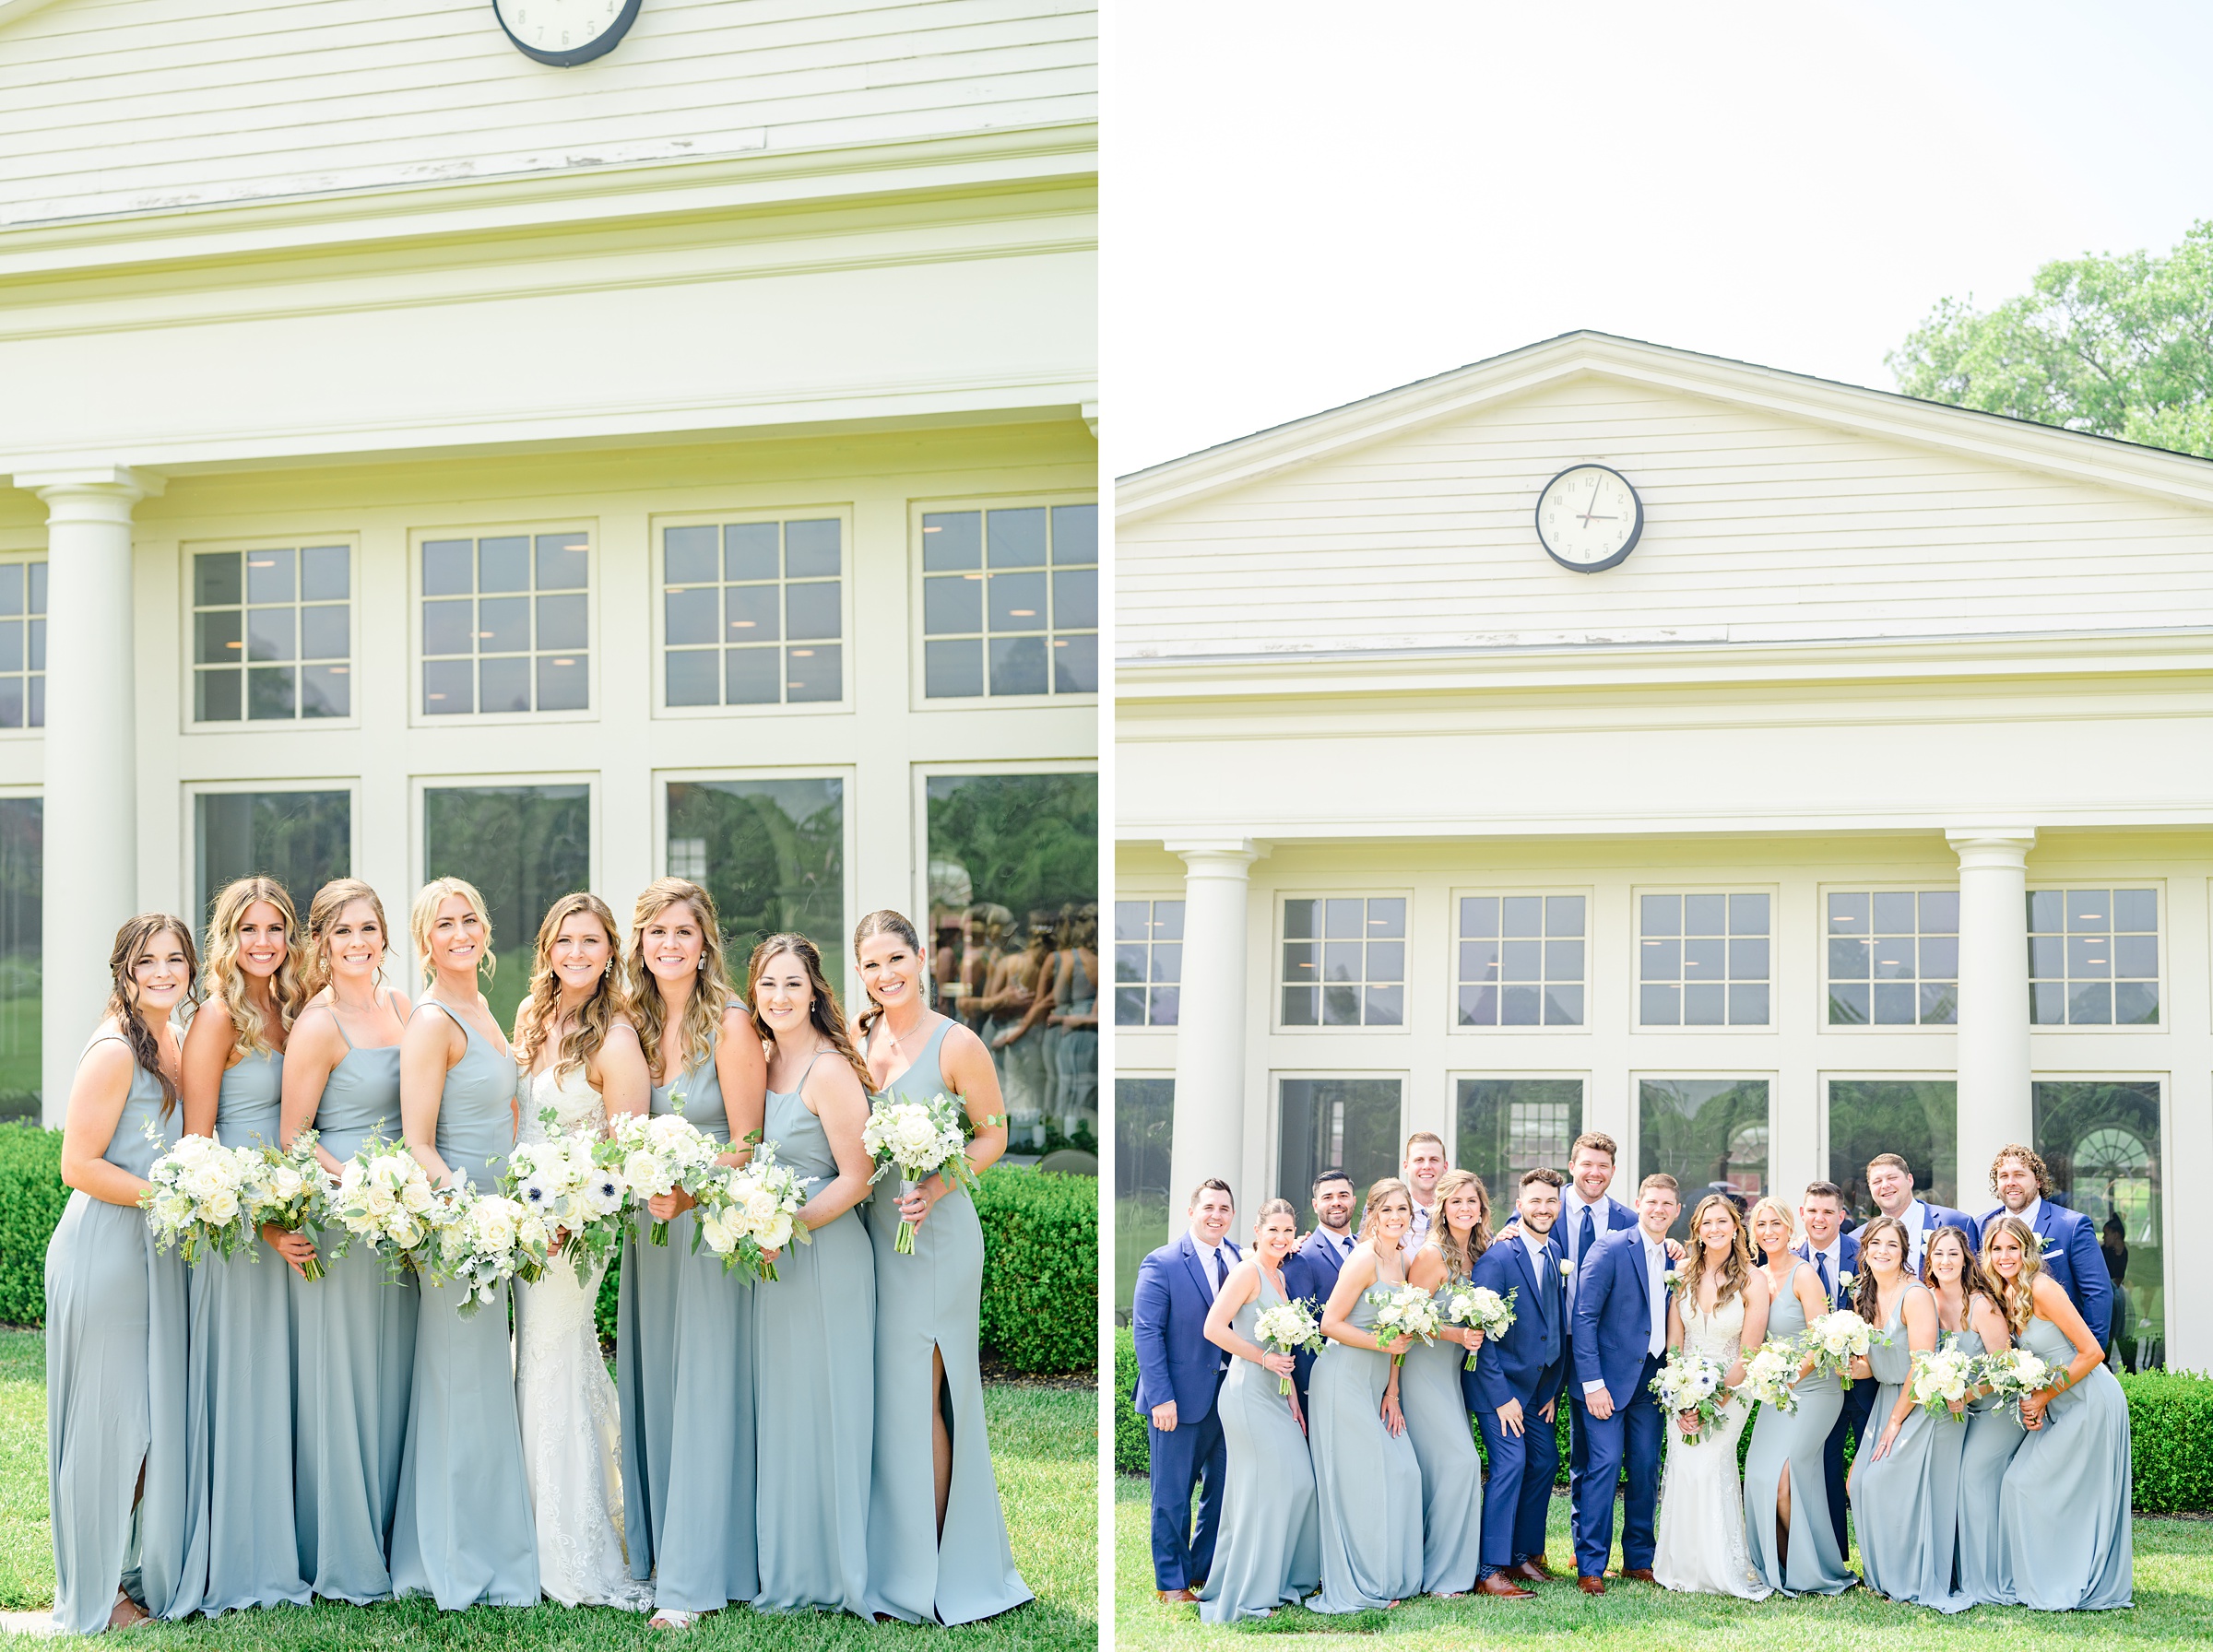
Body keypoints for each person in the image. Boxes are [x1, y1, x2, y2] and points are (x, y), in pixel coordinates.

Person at [853, 910, 1031, 1625]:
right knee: (886, 1394)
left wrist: (937, 1182)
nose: (886, 975)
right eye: (871, 965)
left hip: (936, 1235)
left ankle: (929, 1565)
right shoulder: (860, 1038)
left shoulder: (959, 1043)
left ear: (923, 957)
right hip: (877, 1230)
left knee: (922, 1392)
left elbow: (993, 1136)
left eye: (897, 958)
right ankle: (890, 1551)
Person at [614, 879, 767, 1630]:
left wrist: (694, 1194)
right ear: (638, 944)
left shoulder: (732, 1025)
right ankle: (654, 1555)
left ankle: (694, 1577)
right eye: (656, 933)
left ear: (706, 941)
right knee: (657, 1386)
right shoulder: (631, 1022)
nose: (669, 945)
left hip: (707, 1234)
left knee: (702, 1391)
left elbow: (746, 1144)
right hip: (649, 1234)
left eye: (683, 932)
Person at [388, 879, 539, 1611]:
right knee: (458, 1386)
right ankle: (448, 1558)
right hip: (459, 1232)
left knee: (483, 1387)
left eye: (469, 918)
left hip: (499, 1221)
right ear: (424, 941)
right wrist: (468, 1219)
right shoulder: (432, 1020)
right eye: (442, 924)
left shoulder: (484, 1006)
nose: (459, 932)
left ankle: (486, 1541)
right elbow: (417, 1142)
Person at [45, 915, 198, 1634]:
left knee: (147, 1425)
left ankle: (124, 1570)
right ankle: (97, 1599)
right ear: (124, 971)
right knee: (110, 1425)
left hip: (154, 1251)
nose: (163, 972)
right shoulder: (113, 1050)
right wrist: (177, 1196)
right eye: (148, 962)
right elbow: (78, 1165)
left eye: (176, 959)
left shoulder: (171, 1039)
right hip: (107, 1250)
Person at [508, 893, 653, 1611]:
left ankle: (570, 1551)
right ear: (547, 947)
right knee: (532, 1360)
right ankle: (522, 1530)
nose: (576, 954)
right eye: (565, 941)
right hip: (524, 1223)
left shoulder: (617, 1038)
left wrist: (572, 1208)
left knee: (554, 1358)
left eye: (590, 942)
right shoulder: (534, 1018)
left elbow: (627, 1156)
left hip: (572, 1231)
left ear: (610, 952)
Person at [178, 878, 313, 1615]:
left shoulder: (292, 1009)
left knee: (285, 1391)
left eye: (276, 929)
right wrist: (259, 1222)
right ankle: (242, 1558)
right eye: (249, 930)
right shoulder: (216, 1018)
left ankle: (289, 1544)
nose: (263, 943)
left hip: (293, 1220)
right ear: (226, 939)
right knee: (247, 1391)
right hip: (239, 1233)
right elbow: (199, 1146)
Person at [281, 879, 417, 1603]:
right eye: (342, 933)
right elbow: (294, 1140)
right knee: (348, 1381)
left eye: (367, 928)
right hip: (347, 1219)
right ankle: (344, 1548)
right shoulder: (317, 1024)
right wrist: (365, 1186)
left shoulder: (402, 1007)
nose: (358, 943)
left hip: (404, 1219)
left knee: (394, 1377)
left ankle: (398, 1538)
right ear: (321, 945)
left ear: (384, 935)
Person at [747, 933, 879, 1616]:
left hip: (825, 1259)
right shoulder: (761, 1061)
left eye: (792, 984)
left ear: (815, 992)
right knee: (786, 1412)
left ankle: (831, 1571)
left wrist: (785, 1227)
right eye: (768, 984)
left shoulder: (827, 1071)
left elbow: (858, 1177)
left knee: (829, 1410)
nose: (779, 996)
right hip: (775, 1267)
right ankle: (786, 1560)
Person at [1987, 1214, 2133, 1610]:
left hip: (2091, 1401)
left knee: (2029, 1485)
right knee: (2019, 1483)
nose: (2004, 1256)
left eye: (2012, 1248)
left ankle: (2072, 1579)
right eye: (1996, 1249)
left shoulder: (2043, 1288)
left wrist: (2044, 1396)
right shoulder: (2005, 1293)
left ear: (2027, 1251)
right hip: (2059, 1405)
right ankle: (2046, 1573)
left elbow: (2094, 1352)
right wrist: (2032, 1399)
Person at [1195, 1198, 1320, 1622]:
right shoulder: (1247, 1271)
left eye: (1288, 1232)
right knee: (1261, 1492)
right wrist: (1262, 1360)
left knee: (1299, 1483)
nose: (1281, 1238)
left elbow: (1283, 1348)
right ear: (1257, 1231)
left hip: (1276, 1394)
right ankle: (1248, 1591)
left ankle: (1285, 1579)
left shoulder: (1281, 1277)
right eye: (1273, 1231)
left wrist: (1292, 1400)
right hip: (1247, 1393)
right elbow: (1213, 1328)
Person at [1307, 1178, 1424, 1612]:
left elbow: (1403, 1330)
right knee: (1362, 1483)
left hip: (1377, 1383)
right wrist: (1382, 1347)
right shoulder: (1362, 1259)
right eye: (1388, 1210)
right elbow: (1330, 1324)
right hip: (1342, 1379)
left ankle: (1393, 1574)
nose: (1396, 1218)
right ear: (1372, 1213)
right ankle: (1363, 1583)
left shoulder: (1404, 1259)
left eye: (1403, 1211)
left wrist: (1393, 1388)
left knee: (1403, 1474)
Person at [1652, 1194, 1771, 1599]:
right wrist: (1680, 1396)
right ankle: (1681, 1565)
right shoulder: (1682, 1272)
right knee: (1683, 1467)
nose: (1715, 1229)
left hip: (1732, 1388)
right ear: (1697, 1231)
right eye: (1707, 1223)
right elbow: (1675, 1341)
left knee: (1709, 1466)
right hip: (1683, 1387)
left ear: (1736, 1228)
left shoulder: (1753, 1279)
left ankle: (1721, 1566)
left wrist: (1711, 1403)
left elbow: (1749, 1352)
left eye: (1723, 1222)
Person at [1845, 1214, 1966, 1611]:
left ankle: (1907, 1576)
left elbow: (1921, 1362)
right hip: (1887, 1396)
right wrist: (1847, 1364)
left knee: (1883, 1480)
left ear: (1904, 1253)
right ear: (1865, 1250)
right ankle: (1882, 1575)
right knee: (1859, 1481)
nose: (1882, 1251)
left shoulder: (1914, 1295)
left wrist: (1896, 1421)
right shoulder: (1865, 1293)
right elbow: (1874, 1364)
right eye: (1875, 1244)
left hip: (1919, 1401)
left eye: (1891, 1245)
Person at [1130, 1179, 1239, 1602]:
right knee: (1173, 1495)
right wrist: (1161, 1397)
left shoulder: (1236, 1259)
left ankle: (1202, 1569)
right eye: (1209, 1207)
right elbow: (1147, 1333)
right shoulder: (1162, 1262)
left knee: (1223, 1490)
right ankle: (1171, 1583)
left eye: (1225, 1208)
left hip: (1229, 1397)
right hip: (1178, 1398)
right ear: (1191, 1211)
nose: (1216, 1215)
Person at [1569, 1173, 1677, 1594]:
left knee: (1646, 1468)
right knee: (1603, 1467)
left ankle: (1638, 1560)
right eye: (1652, 1202)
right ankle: (1591, 1565)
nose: (1658, 1210)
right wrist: (1593, 1383)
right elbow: (1584, 1317)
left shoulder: (1675, 1258)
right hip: (1606, 1384)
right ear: (1638, 1203)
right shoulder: (1610, 1247)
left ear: (1676, 1210)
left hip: (1651, 1382)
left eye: (1667, 1204)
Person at [1742, 1196, 1852, 1595]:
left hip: (1815, 1388)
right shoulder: (1754, 1276)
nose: (1768, 1232)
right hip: (1778, 1393)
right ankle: (1783, 1566)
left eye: (1776, 1224)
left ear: (1792, 1228)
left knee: (1786, 1482)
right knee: (1757, 1478)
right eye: (1760, 1225)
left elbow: (1821, 1339)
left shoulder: (1804, 1274)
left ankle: (1817, 1568)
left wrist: (1790, 1374)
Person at [1466, 1167, 1567, 1599]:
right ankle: (1488, 1568)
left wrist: (1551, 1391)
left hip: (1535, 1390)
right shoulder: (1497, 1259)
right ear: (1519, 1205)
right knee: (1510, 1464)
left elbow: (1556, 1325)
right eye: (1535, 1201)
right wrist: (1503, 1397)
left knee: (1544, 1462)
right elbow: (1481, 1336)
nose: (1543, 1209)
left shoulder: (1556, 1250)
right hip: (1497, 1388)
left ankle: (1522, 1556)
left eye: (1551, 1202)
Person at [1389, 1168, 1489, 1598]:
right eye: (1456, 1202)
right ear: (1442, 1209)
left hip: (1452, 1376)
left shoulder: (1480, 1252)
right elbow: (1406, 1321)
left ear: (1482, 1208)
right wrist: (1392, 1390)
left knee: (1445, 1471)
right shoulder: (1432, 1255)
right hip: (1424, 1373)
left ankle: (1446, 1570)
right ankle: (1441, 1575)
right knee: (1459, 1465)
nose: (1465, 1209)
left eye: (1472, 1201)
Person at [1929, 1224, 2018, 1606]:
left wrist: (1967, 1392)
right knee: (1947, 1479)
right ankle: (1953, 1571)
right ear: (1928, 1260)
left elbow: (2008, 1368)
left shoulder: (1980, 1304)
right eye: (1938, 1254)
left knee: (1972, 1477)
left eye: (1953, 1254)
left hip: (1997, 1407)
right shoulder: (1926, 1300)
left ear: (1965, 1259)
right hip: (1959, 1413)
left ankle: (1983, 1580)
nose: (1945, 1261)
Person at [1556, 1131, 1639, 1521]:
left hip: (1600, 1347)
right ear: (1571, 1166)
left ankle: (1581, 1542)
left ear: (1613, 1171)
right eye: (1586, 1164)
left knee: (1591, 1451)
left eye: (1602, 1166)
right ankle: (1530, 1551)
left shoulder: (1629, 1220)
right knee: (1549, 1451)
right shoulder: (1543, 1208)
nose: (1594, 1172)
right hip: (1551, 1343)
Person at [1793, 1180, 1867, 1557]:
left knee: (1872, 1468)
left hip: (1865, 1379)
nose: (1819, 1219)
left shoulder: (1867, 1254)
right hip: (1816, 1385)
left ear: (1842, 1216)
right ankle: (1836, 1556)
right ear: (1802, 1214)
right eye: (1812, 1211)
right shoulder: (1785, 1257)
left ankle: (1879, 1557)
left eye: (1827, 1212)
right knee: (1824, 1468)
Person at [1987, 1144, 2112, 1348]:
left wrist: (2090, 1354)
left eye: (2019, 1175)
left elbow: (2098, 1293)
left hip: (2063, 1352)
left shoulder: (2071, 1226)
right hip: (2004, 1356)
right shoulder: (1982, 1226)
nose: (2011, 1183)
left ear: (2038, 1181)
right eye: (2003, 1176)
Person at [1282, 1169, 1356, 1410]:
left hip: (1367, 1377)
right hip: (1326, 1384)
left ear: (1354, 1201)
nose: (1336, 1202)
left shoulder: (1367, 1249)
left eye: (1343, 1195)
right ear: (1315, 1205)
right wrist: (1311, 1387)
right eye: (1327, 1197)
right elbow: (1300, 1331)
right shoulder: (1302, 1256)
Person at [1864, 1152, 1980, 1275]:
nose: (1885, 1185)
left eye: (1892, 1178)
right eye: (1877, 1181)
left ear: (1909, 1180)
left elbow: (1974, 1279)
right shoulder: (1857, 1238)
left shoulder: (1956, 1222)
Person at [1401, 1132, 1446, 1250]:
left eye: (1434, 1160)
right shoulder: (1386, 1210)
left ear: (1445, 1166)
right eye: (1419, 1160)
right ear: (1406, 1166)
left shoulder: (1457, 1211)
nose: (1426, 1166)